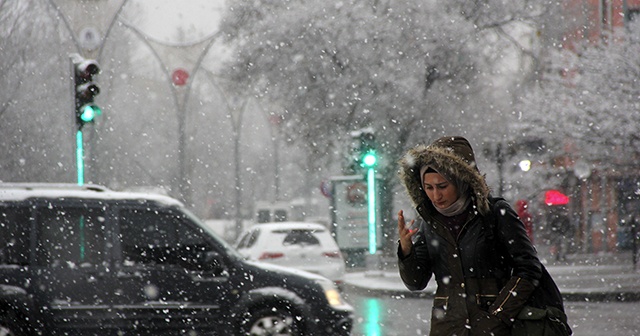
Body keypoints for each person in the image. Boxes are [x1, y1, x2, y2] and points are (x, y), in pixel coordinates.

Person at [396, 136, 568, 336]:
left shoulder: (494, 214)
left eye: (442, 186)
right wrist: (406, 251)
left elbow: (528, 269)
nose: (436, 196)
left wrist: (498, 316)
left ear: (461, 181)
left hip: (497, 327)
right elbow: (416, 282)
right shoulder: (429, 222)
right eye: (429, 187)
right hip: (448, 328)